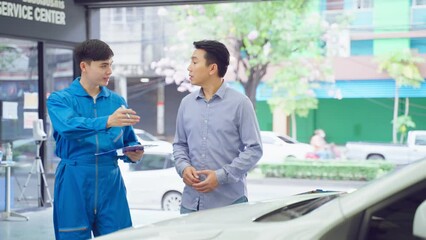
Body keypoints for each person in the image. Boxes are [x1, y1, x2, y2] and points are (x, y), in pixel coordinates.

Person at [47, 39, 144, 240]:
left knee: (120, 236)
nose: (109, 71)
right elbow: (69, 126)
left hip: (111, 182)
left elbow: (129, 139)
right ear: (84, 66)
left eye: (110, 65)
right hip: (74, 179)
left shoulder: (117, 102)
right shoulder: (60, 100)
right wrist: (107, 121)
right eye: (103, 65)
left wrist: (133, 152)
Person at [173, 40, 263, 214]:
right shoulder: (186, 104)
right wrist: (184, 167)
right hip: (190, 204)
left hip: (229, 205)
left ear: (212, 68)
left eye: (194, 62)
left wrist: (221, 176)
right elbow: (179, 145)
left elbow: (254, 149)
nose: (189, 68)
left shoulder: (240, 103)